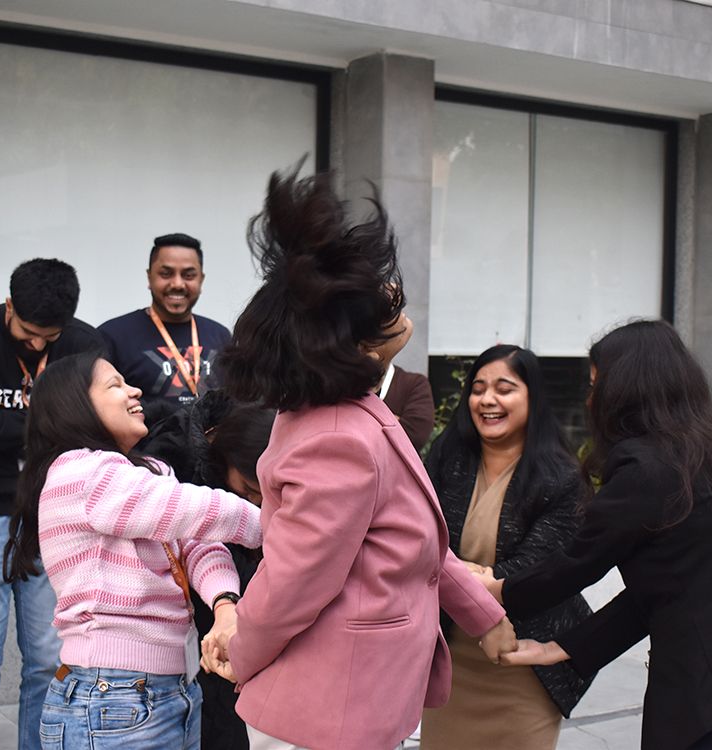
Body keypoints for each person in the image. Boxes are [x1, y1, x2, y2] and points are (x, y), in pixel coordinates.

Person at [202, 166, 516, 750]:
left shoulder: (355, 413)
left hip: (356, 697)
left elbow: (414, 541)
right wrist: (241, 652)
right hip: (329, 709)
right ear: (358, 345)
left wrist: (484, 616)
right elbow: (294, 583)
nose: (391, 292)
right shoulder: (338, 438)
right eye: (373, 294)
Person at [488, 320, 712, 750]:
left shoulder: (646, 469)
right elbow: (669, 585)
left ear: (623, 390)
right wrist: (560, 647)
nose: (590, 400)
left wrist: (497, 590)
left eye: (596, 386)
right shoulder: (704, 450)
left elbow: (577, 562)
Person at [3, 350, 263, 750]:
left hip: (168, 691)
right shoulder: (80, 473)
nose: (135, 390)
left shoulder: (148, 473)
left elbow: (198, 544)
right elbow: (196, 509)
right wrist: (283, 527)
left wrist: (225, 603)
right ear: (75, 406)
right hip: (112, 697)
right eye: (115, 385)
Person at [0, 258, 104, 750]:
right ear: (8, 305)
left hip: (55, 515)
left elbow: (94, 428)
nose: (37, 345)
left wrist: (9, 429)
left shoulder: (83, 343)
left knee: (50, 660)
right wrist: (53, 425)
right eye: (28, 333)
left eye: (49, 337)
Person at [420, 345, 592, 749]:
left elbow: (536, 570)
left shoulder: (563, 477)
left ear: (533, 396)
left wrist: (452, 572)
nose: (487, 400)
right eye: (478, 388)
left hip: (522, 659)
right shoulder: (449, 457)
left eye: (504, 388)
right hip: (451, 655)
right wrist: (465, 574)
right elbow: (417, 536)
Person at [140, 392, 275, 750]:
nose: (256, 505)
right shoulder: (169, 460)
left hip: (226, 602)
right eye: (249, 490)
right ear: (226, 454)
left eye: (266, 497)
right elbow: (190, 543)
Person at [99, 233, 231, 426]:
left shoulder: (220, 335)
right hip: (145, 444)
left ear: (201, 280)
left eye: (188, 275)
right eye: (166, 274)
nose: (177, 284)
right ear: (149, 277)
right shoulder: (113, 336)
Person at [361, 300, 434, 451]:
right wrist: (394, 421)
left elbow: (415, 435)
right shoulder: (340, 385)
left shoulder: (414, 383)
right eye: (390, 312)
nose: (401, 311)